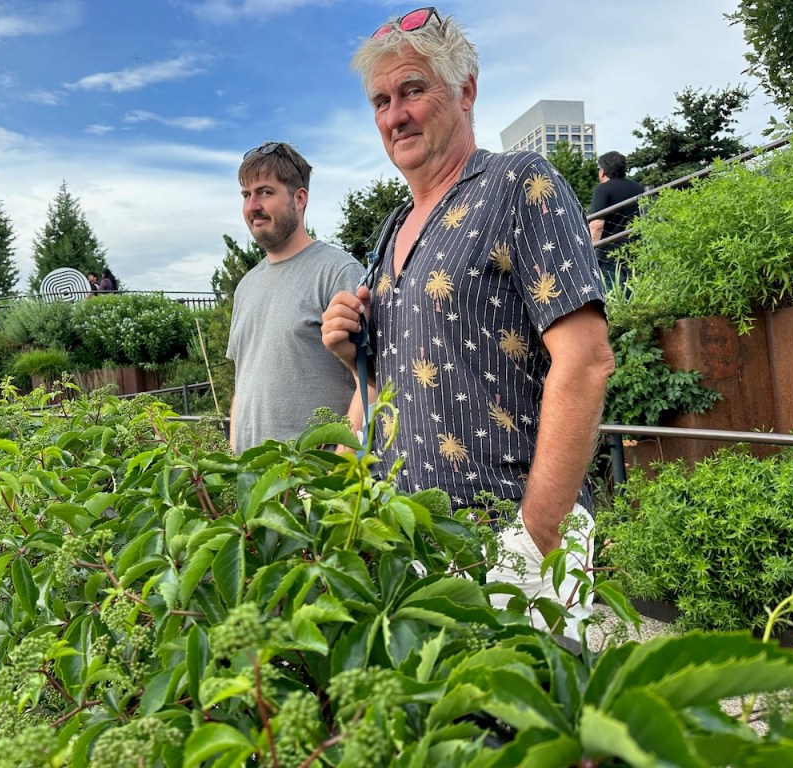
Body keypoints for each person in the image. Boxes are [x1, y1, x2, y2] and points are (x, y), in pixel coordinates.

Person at [320, 7, 614, 636]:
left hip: (505, 537)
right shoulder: (389, 231)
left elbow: (587, 360)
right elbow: (377, 398)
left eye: (412, 90)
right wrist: (357, 365)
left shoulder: (519, 184)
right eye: (380, 101)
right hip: (405, 552)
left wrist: (536, 535)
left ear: (466, 90)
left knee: (526, 701)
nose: (394, 115)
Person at [227, 141, 363, 454]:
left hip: (315, 479)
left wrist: (341, 468)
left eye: (265, 192)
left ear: (299, 198)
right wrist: (234, 460)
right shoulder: (245, 286)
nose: (252, 206)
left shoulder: (338, 272)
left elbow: (371, 380)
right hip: (252, 478)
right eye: (246, 195)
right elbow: (242, 385)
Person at [589, 151, 644, 289]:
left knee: (612, 293)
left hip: (609, 255)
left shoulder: (602, 190)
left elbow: (597, 225)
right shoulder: (638, 188)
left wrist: (589, 252)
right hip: (636, 251)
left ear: (602, 171)